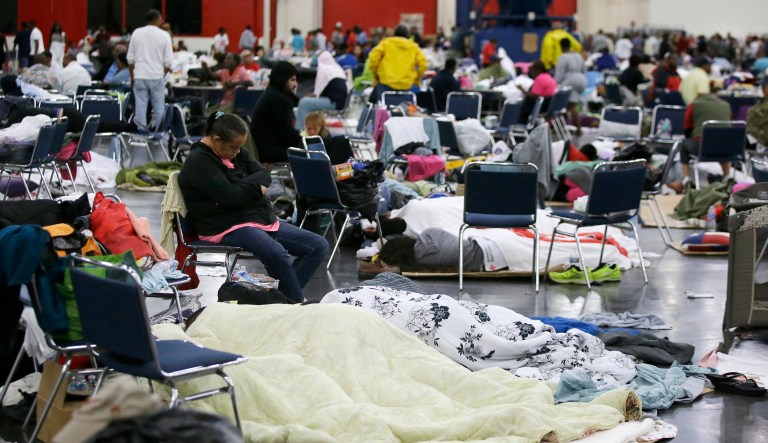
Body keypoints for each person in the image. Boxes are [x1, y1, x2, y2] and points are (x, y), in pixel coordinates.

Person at [178, 112, 328, 303]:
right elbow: (230, 197)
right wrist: (256, 189)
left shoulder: (234, 152)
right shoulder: (198, 161)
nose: (238, 152)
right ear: (216, 140)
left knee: (317, 246)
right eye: (234, 147)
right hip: (224, 224)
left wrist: (243, 187)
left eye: (240, 147)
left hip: (253, 218)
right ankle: (294, 304)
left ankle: (282, 302)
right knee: (276, 254)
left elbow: (264, 174)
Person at [127, 9, 173, 135]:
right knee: (159, 107)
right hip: (156, 76)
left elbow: (130, 59)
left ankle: (141, 134)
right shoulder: (164, 35)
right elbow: (168, 62)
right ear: (157, 19)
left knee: (140, 107)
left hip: (139, 75)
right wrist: (161, 74)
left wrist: (132, 77)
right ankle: (160, 135)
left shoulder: (136, 33)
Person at [250, 61, 302, 164]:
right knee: (317, 150)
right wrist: (305, 140)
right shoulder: (278, 99)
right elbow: (287, 135)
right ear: (282, 80)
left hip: (268, 147)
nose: (295, 84)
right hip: (271, 150)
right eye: (292, 80)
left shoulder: (272, 93)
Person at [680, 87, 732, 181]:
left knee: (683, 145)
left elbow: (687, 128)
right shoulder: (726, 105)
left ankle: (686, 179)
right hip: (726, 148)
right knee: (722, 144)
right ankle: (726, 176)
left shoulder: (694, 104)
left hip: (702, 147)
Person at [368, 25, 427, 103]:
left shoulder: (385, 43)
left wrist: (376, 74)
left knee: (381, 108)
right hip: (406, 85)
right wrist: (416, 78)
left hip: (385, 83)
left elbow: (373, 58)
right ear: (407, 35)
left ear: (394, 34)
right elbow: (423, 64)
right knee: (404, 109)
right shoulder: (414, 47)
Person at [295, 51, 348, 130]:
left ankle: (302, 131)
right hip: (338, 101)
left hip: (334, 102)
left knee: (304, 103)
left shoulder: (324, 70)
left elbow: (317, 93)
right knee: (305, 101)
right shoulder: (336, 68)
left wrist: (308, 96)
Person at [554, 38, 588, 135]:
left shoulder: (563, 57)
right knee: (567, 105)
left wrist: (555, 85)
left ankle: (578, 128)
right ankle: (564, 126)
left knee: (570, 106)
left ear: (561, 47)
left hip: (571, 81)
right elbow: (583, 69)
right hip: (581, 79)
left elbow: (559, 73)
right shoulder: (578, 55)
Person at [747, 76, 768, 150]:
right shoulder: (763, 102)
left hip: (762, 140)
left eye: (764, 86)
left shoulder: (764, 105)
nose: (762, 89)